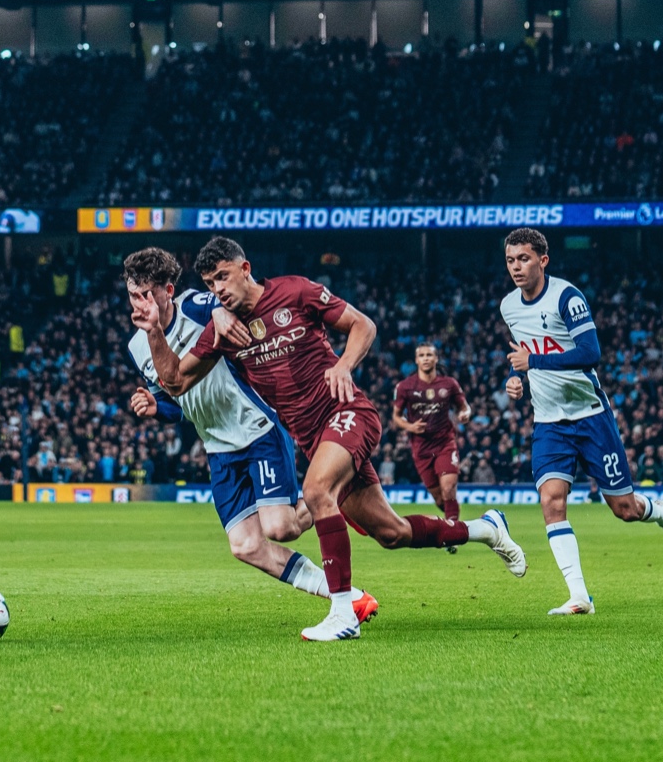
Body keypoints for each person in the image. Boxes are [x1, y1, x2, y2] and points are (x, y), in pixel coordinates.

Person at [143, 237, 526, 642]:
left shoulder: (294, 290)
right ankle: (487, 529)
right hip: (314, 438)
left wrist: (344, 365)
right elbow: (175, 381)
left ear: (244, 268)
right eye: (209, 283)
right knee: (392, 534)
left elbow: (363, 324)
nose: (218, 288)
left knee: (316, 488)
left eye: (223, 276)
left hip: (349, 415)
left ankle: (343, 612)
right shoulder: (225, 330)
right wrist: (154, 331)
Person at [122, 248, 377, 626]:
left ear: (167, 291)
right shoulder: (137, 346)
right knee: (245, 545)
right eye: (132, 295)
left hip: (256, 426)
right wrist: (155, 407)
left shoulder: (197, 305)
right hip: (217, 448)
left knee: (281, 527)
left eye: (146, 294)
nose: (139, 303)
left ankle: (333, 495)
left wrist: (222, 314)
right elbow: (178, 402)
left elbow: (237, 300)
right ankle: (346, 595)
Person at [500, 229, 663, 616]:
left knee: (624, 508)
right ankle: (579, 596)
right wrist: (518, 379)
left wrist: (532, 363)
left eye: (523, 259)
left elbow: (590, 353)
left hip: (591, 417)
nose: (516, 267)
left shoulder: (567, 297)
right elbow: (527, 354)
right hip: (550, 422)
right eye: (510, 260)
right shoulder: (509, 307)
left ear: (543, 260)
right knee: (551, 502)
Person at [391, 343, 472, 547]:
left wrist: (465, 414)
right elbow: (396, 417)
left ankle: (453, 533)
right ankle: (451, 520)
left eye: (430, 355)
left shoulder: (449, 384)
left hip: (445, 442)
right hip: (421, 448)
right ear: (416, 360)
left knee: (448, 488)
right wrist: (410, 427)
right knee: (439, 498)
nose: (426, 358)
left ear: (436, 359)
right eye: (422, 355)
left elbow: (464, 407)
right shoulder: (405, 387)